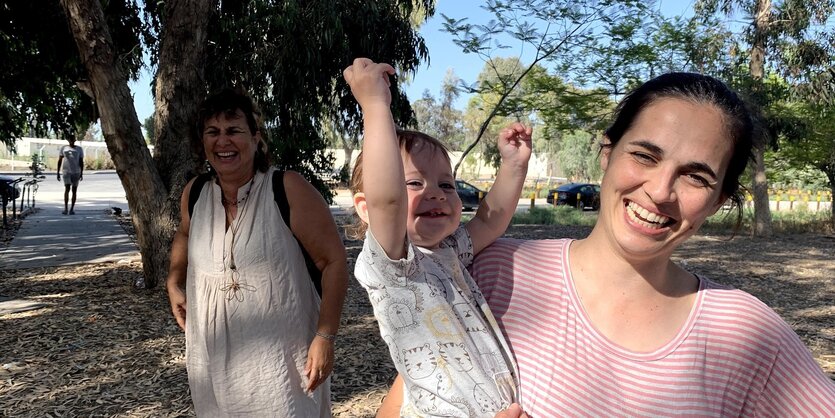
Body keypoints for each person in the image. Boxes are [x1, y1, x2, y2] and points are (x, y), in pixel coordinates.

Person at [379, 72, 835, 417]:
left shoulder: (746, 333)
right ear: (607, 154)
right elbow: (410, 395)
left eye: (696, 176)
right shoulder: (491, 271)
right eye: (644, 155)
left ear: (719, 201)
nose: (660, 191)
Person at [344, 57, 533, 417]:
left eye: (446, 184)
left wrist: (513, 166)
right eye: (413, 183)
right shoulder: (393, 263)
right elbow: (388, 200)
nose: (437, 193)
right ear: (366, 210)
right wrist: (374, 105)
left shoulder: (450, 250)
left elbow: (490, 222)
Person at [165, 88, 349, 416]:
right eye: (213, 132)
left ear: (255, 137)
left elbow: (333, 261)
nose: (223, 141)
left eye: (234, 130)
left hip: (282, 365)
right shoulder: (195, 193)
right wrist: (174, 281)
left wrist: (325, 336)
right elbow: (183, 232)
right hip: (213, 360)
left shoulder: (287, 188)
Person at [56, 137, 84, 215]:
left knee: (74, 190)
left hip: (76, 172)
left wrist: (81, 173)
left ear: (75, 140)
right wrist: (58, 172)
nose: (71, 141)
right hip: (66, 171)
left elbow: (81, 161)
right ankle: (65, 208)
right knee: (67, 188)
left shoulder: (79, 149)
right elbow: (60, 160)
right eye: (70, 139)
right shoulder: (64, 148)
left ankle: (72, 209)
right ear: (68, 140)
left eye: (73, 139)